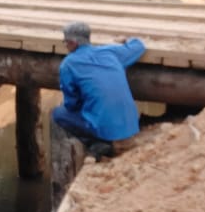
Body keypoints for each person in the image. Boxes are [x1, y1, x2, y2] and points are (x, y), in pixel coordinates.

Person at [52, 22, 146, 158]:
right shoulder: (110, 51)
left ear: (73, 43)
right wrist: (127, 40)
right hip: (131, 126)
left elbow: (71, 104)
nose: (65, 45)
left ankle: (98, 143)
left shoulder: (68, 64)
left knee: (59, 113)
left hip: (105, 130)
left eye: (65, 42)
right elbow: (139, 46)